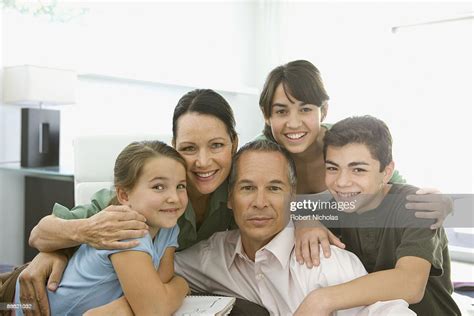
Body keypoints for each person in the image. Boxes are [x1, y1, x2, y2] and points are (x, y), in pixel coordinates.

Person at [11, 89, 340, 315]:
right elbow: (41, 233)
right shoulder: (145, 199)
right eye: (189, 148)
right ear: (174, 146)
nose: (203, 162)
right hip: (61, 288)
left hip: (150, 293)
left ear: (234, 143)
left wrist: (305, 214)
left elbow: (304, 194)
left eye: (216, 146)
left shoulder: (240, 188)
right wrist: (62, 244)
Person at [86, 139, 414, 316]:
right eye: (246, 188)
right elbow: (156, 274)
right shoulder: (212, 255)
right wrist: (55, 251)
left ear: (292, 197)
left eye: (274, 188)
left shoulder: (324, 261)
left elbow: (390, 310)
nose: (260, 202)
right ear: (229, 198)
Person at [257, 60, 452, 234]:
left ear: (323, 110)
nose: (293, 123)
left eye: (305, 109)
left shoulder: (346, 140)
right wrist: (301, 219)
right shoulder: (256, 155)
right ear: (267, 115)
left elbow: (391, 183)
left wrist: (442, 202)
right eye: (281, 111)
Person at [294, 116, 460, 315]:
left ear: (387, 172)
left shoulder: (419, 205)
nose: (342, 182)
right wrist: (304, 220)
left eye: (358, 170)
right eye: (332, 168)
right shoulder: (338, 207)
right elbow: (294, 216)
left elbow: (411, 284)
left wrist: (321, 300)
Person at [14, 141, 189, 315]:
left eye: (180, 186)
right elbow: (154, 309)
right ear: (124, 195)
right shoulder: (126, 231)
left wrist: (124, 307)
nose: (174, 197)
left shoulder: (168, 226)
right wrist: (182, 285)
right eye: (158, 187)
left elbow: (162, 278)